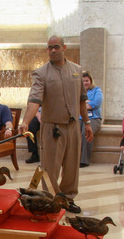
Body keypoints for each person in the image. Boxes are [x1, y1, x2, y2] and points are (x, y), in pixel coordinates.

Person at [18, 35, 93, 214]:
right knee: (49, 167)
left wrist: (87, 123)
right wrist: (26, 122)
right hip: (52, 128)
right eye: (49, 47)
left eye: (56, 47)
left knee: (72, 166)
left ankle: (67, 199)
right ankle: (51, 199)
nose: (52, 50)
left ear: (64, 47)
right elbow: (34, 100)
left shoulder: (77, 70)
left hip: (74, 126)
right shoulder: (41, 73)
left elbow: (83, 100)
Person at [80, 71, 102, 168]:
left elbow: (96, 103)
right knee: (73, 132)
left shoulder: (97, 90)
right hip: (79, 117)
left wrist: (87, 104)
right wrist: (86, 103)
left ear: (90, 81)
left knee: (86, 133)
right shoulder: (77, 91)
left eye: (87, 80)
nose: (85, 83)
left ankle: (84, 160)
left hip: (93, 118)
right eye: (83, 81)